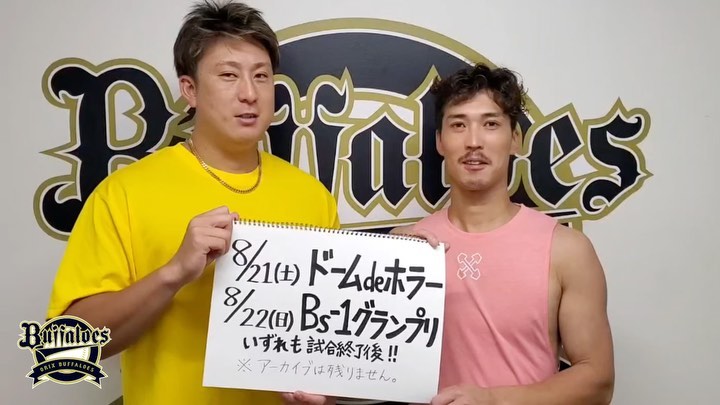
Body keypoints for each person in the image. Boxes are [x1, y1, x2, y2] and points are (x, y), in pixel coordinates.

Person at [46, 1, 339, 404]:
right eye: (228, 75)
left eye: (261, 76)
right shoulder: (125, 193)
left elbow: (332, 340)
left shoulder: (312, 196)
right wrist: (173, 274)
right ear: (190, 90)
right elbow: (66, 349)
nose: (249, 94)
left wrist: (326, 392)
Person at [287, 63, 615, 405]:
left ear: (515, 139)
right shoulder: (405, 246)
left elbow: (598, 381)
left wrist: (492, 400)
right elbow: (368, 363)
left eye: (490, 124)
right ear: (440, 141)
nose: (473, 142)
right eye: (458, 125)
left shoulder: (566, 249)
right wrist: (324, 392)